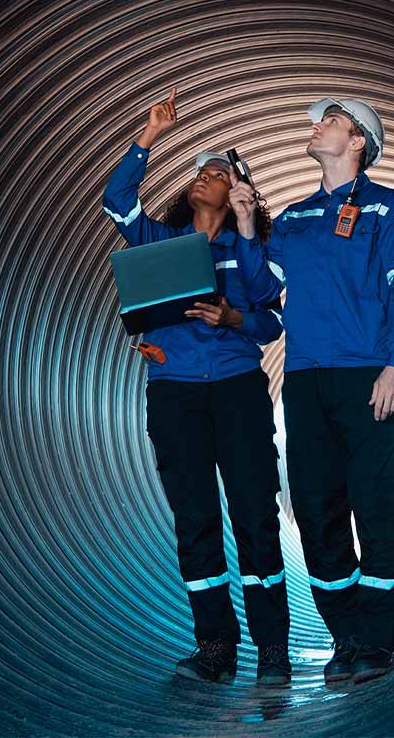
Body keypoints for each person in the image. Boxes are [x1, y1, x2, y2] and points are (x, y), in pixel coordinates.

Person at [229, 96, 394, 684]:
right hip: (306, 381)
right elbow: (264, 289)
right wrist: (246, 228)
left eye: (331, 121)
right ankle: (344, 636)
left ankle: (378, 641)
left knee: (374, 507)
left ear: (359, 141)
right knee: (316, 512)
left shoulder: (388, 210)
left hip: (367, 377)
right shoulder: (291, 219)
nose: (317, 127)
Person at [103, 88, 291, 686]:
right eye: (198, 172)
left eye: (216, 172)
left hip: (237, 389)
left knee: (256, 517)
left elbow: (270, 316)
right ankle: (215, 649)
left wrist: (233, 317)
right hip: (175, 393)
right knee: (195, 522)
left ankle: (271, 649)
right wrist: (149, 134)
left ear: (238, 191)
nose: (202, 176)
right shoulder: (160, 242)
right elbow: (115, 201)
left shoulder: (250, 248)